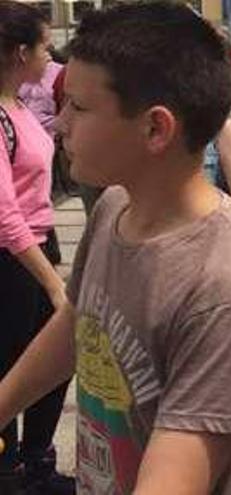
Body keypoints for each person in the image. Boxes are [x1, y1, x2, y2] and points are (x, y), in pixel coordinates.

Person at [0, 2, 231, 494]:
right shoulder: (114, 209)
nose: (60, 124)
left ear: (155, 128)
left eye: (78, 107)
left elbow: (174, 475)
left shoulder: (228, 287)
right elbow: (79, 319)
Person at [0, 2, 73, 493]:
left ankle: (34, 461)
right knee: (11, 367)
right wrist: (53, 285)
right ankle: (8, 473)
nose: (50, 55)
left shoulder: (19, 104)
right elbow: (4, 216)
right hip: (13, 260)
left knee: (54, 361)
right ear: (21, 51)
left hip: (38, 246)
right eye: (46, 45)